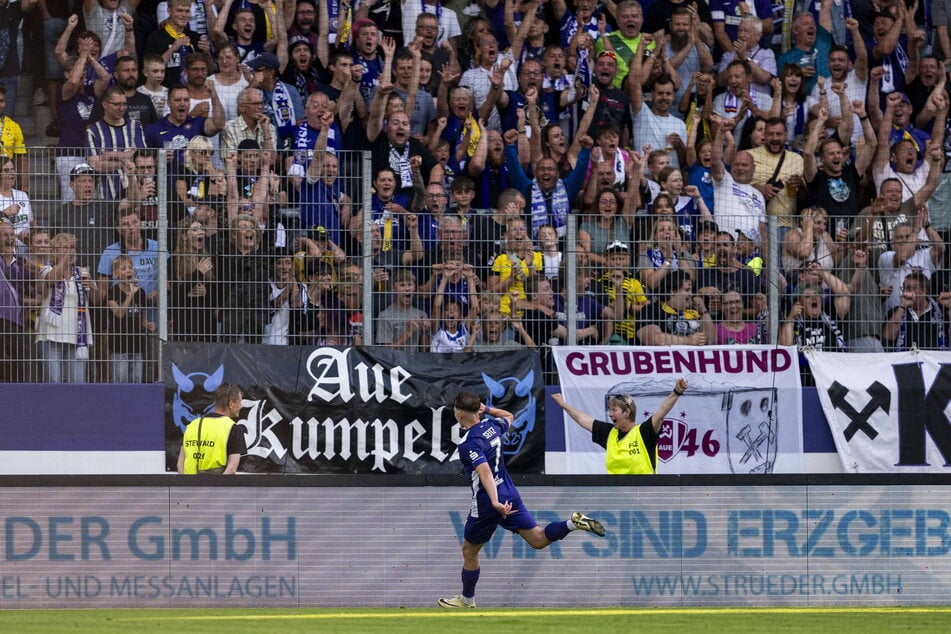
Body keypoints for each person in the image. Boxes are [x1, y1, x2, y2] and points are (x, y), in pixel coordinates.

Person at [437, 390, 605, 609]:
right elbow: (508, 415)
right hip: (510, 493)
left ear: (458, 415)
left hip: (489, 502)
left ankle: (467, 600)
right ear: (478, 410)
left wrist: (495, 503)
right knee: (538, 540)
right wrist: (486, 409)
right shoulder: (492, 427)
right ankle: (572, 523)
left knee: (469, 551)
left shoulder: (468, 443)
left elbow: (485, 472)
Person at [551, 378, 689, 475]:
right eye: (609, 410)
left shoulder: (643, 432)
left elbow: (661, 413)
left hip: (645, 493)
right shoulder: (609, 433)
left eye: (614, 410)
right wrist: (563, 404)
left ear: (627, 412)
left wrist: (676, 392)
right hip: (617, 496)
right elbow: (583, 419)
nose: (610, 414)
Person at [176, 383, 247, 475]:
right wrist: (214, 487)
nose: (241, 406)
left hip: (188, 486)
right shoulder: (233, 428)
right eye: (239, 402)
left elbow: (180, 464)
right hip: (215, 486)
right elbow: (231, 469)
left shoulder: (192, 425)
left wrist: (185, 485)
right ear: (231, 404)